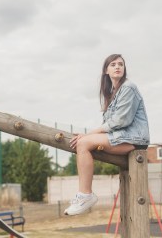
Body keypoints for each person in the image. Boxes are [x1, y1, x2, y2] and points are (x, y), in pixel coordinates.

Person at [64, 54, 150, 216]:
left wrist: (87, 135)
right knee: (85, 143)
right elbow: (111, 124)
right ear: (106, 70)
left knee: (83, 143)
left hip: (134, 138)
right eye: (113, 64)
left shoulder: (128, 87)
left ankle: (85, 195)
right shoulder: (112, 92)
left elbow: (120, 121)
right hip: (124, 136)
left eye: (121, 64)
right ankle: (84, 195)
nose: (118, 67)